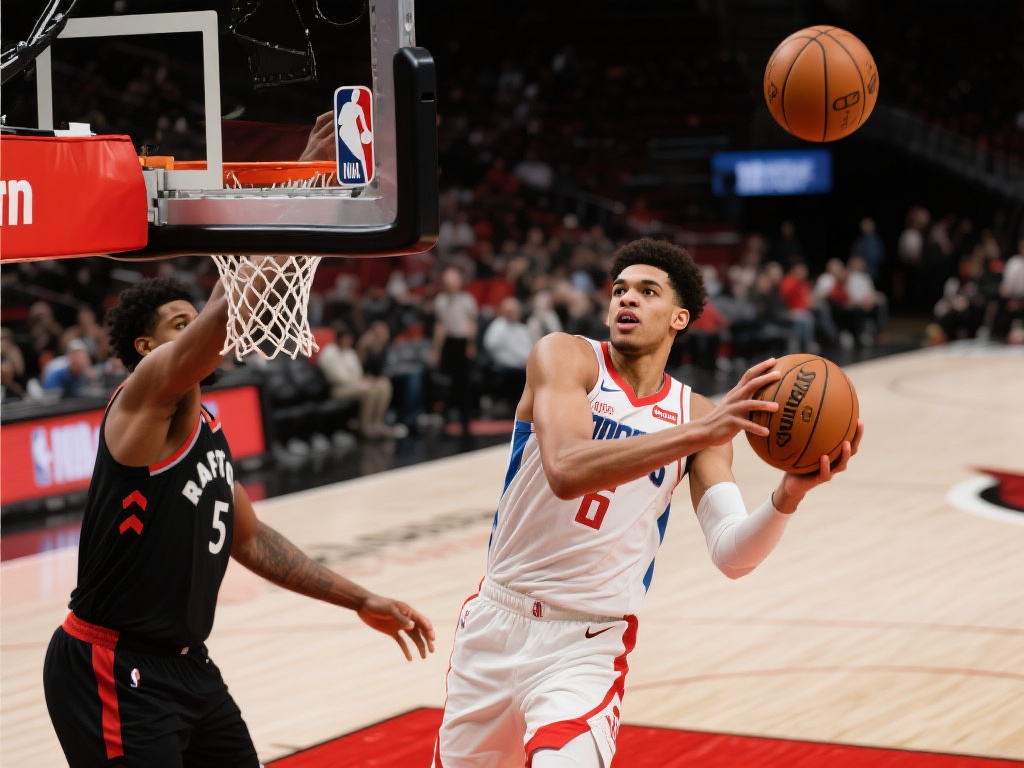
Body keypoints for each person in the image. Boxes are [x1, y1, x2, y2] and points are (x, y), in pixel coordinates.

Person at [431, 237, 862, 768]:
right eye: (619, 290)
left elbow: (732, 555)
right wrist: (697, 434)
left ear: (680, 318)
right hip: (497, 623)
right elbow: (566, 469)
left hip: (586, 644)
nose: (627, 298)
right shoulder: (565, 357)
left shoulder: (694, 413)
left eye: (647, 291)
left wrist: (788, 495)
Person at [43, 274, 434, 768]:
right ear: (146, 347)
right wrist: (269, 245)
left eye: (196, 320)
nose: (200, 331)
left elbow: (250, 539)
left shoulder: (208, 428)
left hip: (188, 665)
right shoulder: (142, 398)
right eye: (181, 325)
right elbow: (223, 310)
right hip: (113, 666)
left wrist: (360, 599)